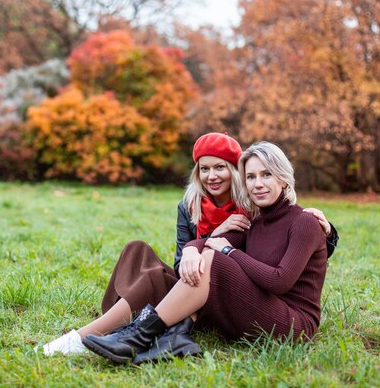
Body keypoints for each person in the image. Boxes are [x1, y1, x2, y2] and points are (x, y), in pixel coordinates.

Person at [38, 135, 338, 356]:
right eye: (251, 177)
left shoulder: (305, 221)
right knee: (193, 252)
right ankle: (142, 332)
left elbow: (281, 280)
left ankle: (139, 334)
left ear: (284, 179)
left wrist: (225, 251)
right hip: (242, 303)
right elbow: (203, 244)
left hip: (293, 325)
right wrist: (197, 248)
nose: (258, 183)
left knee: (215, 257)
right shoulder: (253, 220)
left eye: (266, 175)